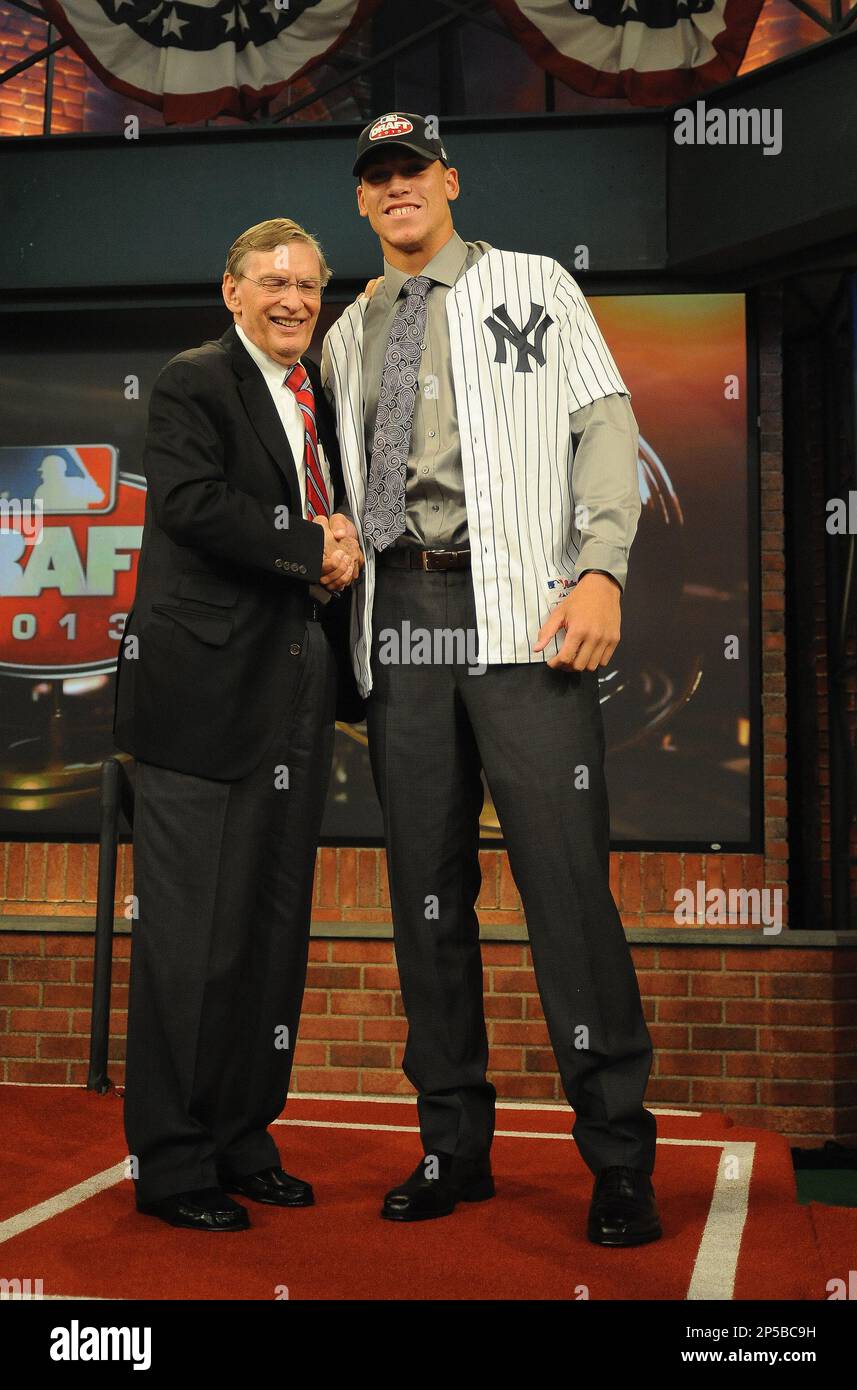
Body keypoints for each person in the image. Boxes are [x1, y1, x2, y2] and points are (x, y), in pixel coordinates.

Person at [322, 115, 661, 1246]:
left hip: (524, 610)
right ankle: (450, 1145)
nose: (395, 187)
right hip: (402, 614)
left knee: (564, 892)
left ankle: (617, 1155)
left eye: (410, 167)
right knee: (426, 898)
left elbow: (603, 429)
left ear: (447, 181)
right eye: (376, 178)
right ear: (363, 207)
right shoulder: (342, 334)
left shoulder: (536, 282)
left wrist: (600, 570)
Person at [114, 217, 363, 1232]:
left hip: (294, 702)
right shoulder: (193, 381)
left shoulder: (320, 397)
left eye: (307, 282)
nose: (292, 298)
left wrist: (336, 556)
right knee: (190, 945)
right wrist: (312, 546)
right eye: (272, 281)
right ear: (232, 292)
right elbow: (191, 504)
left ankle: (242, 1135)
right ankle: (174, 1163)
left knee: (269, 939)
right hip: (200, 706)